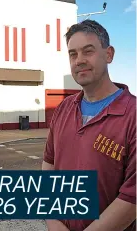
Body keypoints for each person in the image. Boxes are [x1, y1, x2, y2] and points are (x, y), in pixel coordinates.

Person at [42, 19, 136, 231]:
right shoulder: (64, 108)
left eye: (88, 51)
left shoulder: (133, 115)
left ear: (109, 54)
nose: (79, 60)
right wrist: (53, 220)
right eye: (73, 54)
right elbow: (49, 163)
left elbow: (132, 198)